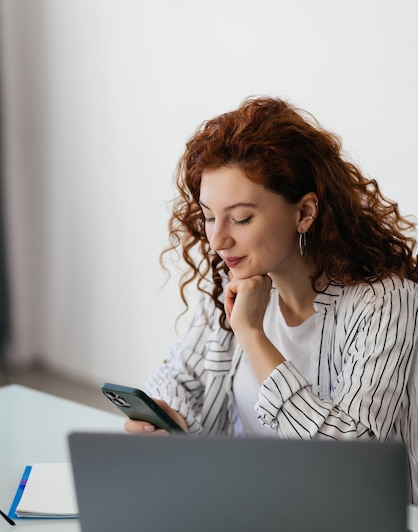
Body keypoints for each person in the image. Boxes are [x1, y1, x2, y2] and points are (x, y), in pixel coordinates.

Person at [124, 96, 418, 502]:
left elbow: (353, 461)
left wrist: (253, 336)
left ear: (305, 213)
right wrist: (168, 416)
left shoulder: (383, 302)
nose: (218, 239)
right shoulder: (235, 282)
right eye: (209, 216)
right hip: (256, 514)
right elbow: (177, 379)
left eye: (241, 218)